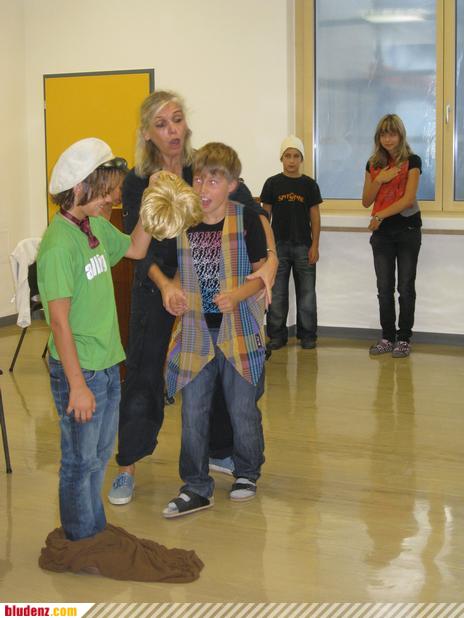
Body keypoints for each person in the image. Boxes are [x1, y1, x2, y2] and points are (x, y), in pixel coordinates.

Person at [108, 90, 278, 505]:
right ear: (147, 134)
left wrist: (270, 259)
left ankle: (219, 451)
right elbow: (136, 247)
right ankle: (127, 465)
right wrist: (167, 286)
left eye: (177, 120)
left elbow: (253, 211)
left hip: (203, 289)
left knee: (215, 370)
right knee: (145, 373)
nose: (172, 130)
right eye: (161, 124)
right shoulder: (137, 181)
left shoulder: (199, 168)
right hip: (157, 285)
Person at [37, 138, 151, 541]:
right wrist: (77, 386)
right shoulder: (57, 246)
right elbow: (59, 324)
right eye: (107, 190)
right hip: (80, 371)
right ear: (81, 187)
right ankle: (79, 539)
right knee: (79, 460)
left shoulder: (96, 227)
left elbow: (136, 248)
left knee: (100, 455)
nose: (113, 198)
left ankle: (92, 529)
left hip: (106, 363)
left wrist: (151, 208)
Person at [163, 142, 267, 518]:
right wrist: (174, 292)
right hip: (196, 332)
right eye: (198, 180)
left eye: (213, 180)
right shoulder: (183, 222)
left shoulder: (246, 219)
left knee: (242, 409)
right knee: (193, 411)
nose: (203, 188)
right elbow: (178, 272)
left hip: (238, 331)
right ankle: (195, 485)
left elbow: (262, 275)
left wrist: (237, 295)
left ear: (232, 185)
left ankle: (247, 471)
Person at [362, 113, 422, 358]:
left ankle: (404, 338)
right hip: (383, 236)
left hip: (408, 230)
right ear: (378, 137)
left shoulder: (412, 161)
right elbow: (366, 200)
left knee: (405, 287)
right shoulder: (373, 164)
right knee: (384, 288)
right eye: (383, 134)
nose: (388, 139)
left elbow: (408, 200)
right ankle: (387, 337)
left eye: (392, 134)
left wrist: (379, 216)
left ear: (400, 135)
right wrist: (379, 179)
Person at [260, 135, 322, 350]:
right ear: (282, 158)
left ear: (301, 159)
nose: (292, 160)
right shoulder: (272, 183)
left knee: (307, 294)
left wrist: (315, 245)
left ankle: (308, 335)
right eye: (288, 156)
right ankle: (277, 335)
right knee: (277, 294)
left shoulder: (309, 185)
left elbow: (315, 217)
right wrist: (267, 249)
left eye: (296, 156)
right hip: (278, 248)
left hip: (304, 246)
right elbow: (264, 217)